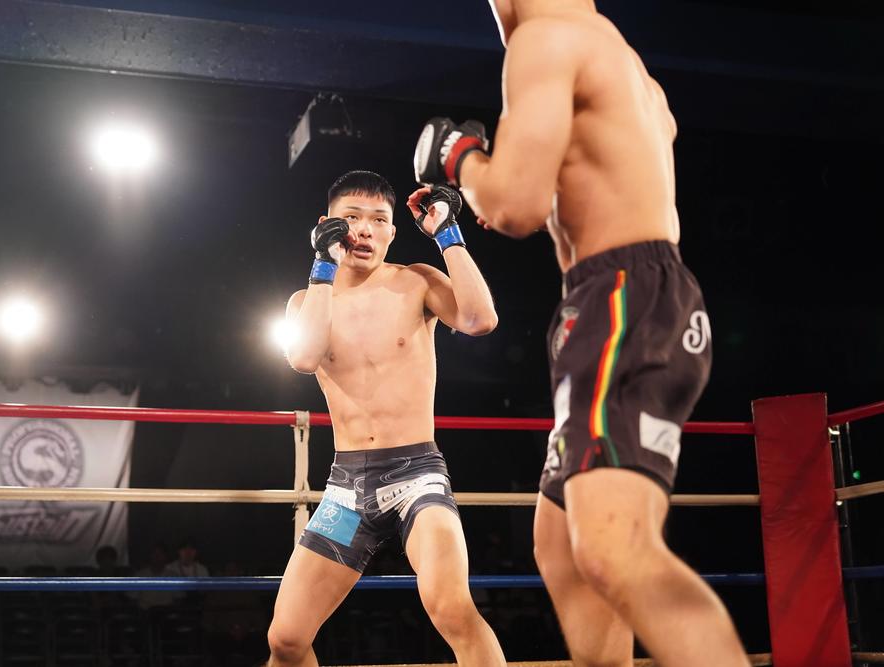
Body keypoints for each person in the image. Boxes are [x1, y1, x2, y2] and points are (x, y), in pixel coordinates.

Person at [411, 1, 749, 665]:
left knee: (616, 548)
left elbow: (514, 205)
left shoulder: (544, 41)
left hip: (620, 301)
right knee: (562, 545)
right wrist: (499, 180)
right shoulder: (625, 64)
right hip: (625, 298)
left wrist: (458, 158)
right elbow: (576, 187)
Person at [266, 170, 505, 667]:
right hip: (346, 490)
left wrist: (447, 233)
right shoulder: (307, 301)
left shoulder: (416, 281)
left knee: (452, 608)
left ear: (393, 231)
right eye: (352, 218)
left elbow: (480, 319)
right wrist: (322, 266)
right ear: (327, 226)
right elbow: (304, 358)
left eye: (378, 220)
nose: (365, 229)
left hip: (417, 478)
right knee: (286, 639)